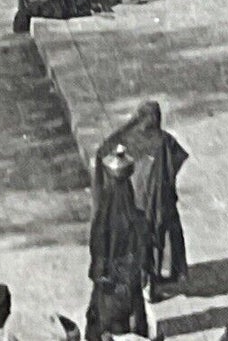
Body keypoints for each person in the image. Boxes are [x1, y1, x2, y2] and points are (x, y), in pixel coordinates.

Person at [96, 101, 189, 299]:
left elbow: (104, 152)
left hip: (133, 200)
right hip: (155, 203)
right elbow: (178, 160)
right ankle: (151, 284)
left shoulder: (125, 138)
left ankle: (138, 280)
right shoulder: (164, 141)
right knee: (156, 239)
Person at [85, 146, 151, 341]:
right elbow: (144, 257)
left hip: (108, 288)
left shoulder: (102, 220)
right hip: (130, 287)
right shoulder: (138, 220)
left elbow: (96, 253)